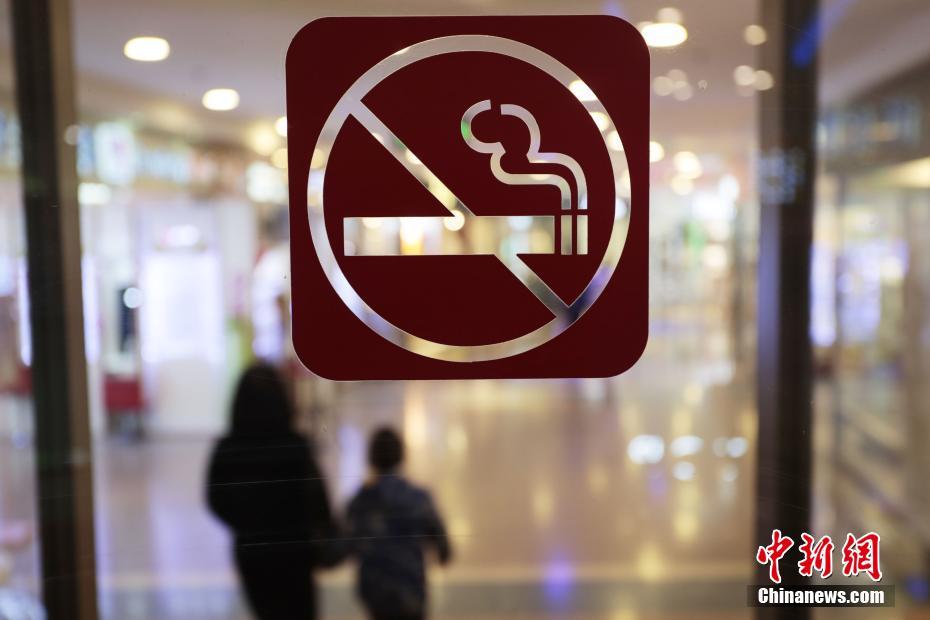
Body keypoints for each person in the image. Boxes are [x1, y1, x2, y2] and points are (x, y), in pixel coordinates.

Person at [206, 363, 341, 620]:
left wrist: (245, 522)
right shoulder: (296, 446)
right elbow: (319, 502)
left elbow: (215, 500)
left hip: (251, 552)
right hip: (296, 552)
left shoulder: (227, 449)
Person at [346, 427, 452, 620]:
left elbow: (342, 546)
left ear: (371, 458)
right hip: (411, 593)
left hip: (376, 596)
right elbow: (444, 549)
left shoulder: (361, 501)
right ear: (401, 456)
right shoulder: (419, 498)